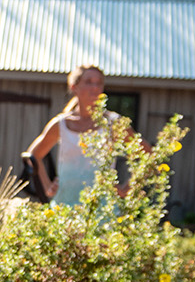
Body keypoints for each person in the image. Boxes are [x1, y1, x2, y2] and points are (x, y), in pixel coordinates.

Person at [24, 63, 123, 207]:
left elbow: (149, 155)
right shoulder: (61, 124)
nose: (95, 88)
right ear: (74, 87)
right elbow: (33, 156)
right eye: (88, 82)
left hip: (102, 212)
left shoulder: (113, 123)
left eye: (99, 83)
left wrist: (127, 189)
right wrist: (47, 187)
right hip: (64, 209)